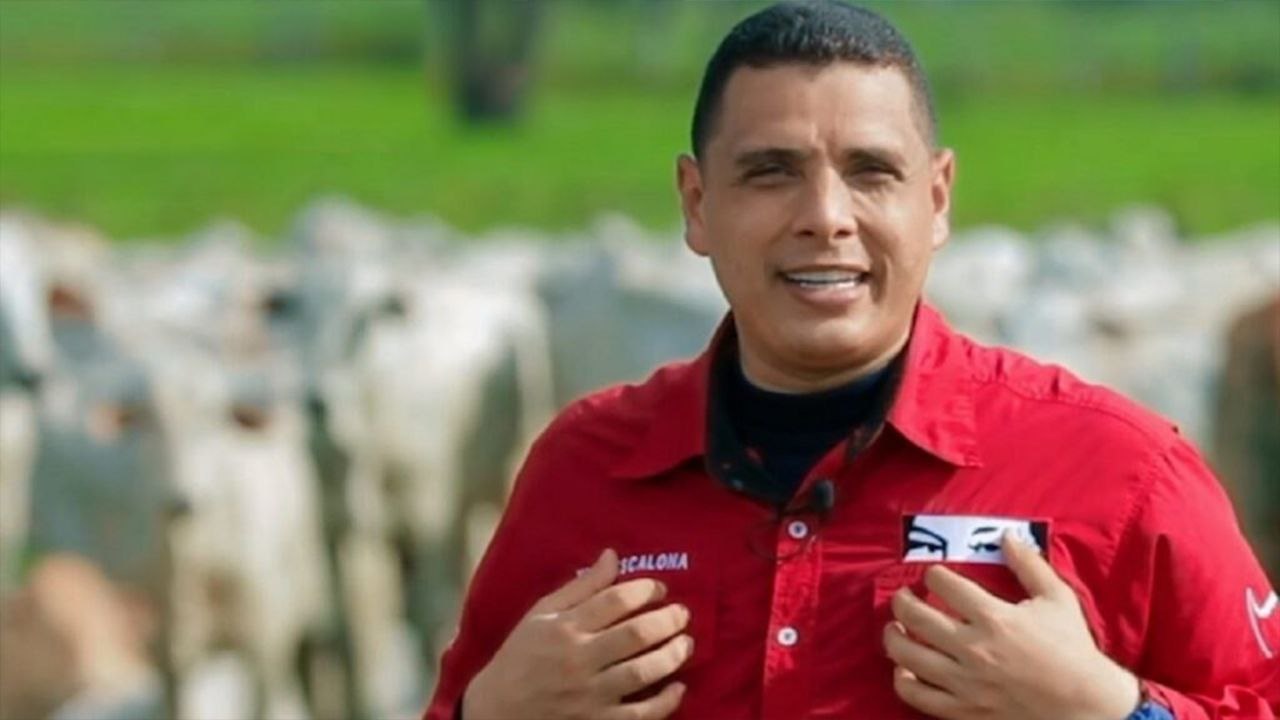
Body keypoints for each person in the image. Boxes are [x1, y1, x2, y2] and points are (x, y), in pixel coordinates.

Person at [423, 2, 1280, 719]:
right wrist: (486, 713)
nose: (825, 216)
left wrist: (1110, 710)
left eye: (871, 172)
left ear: (936, 199)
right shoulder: (583, 473)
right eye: (771, 172)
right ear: (696, 203)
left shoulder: (1121, 474)